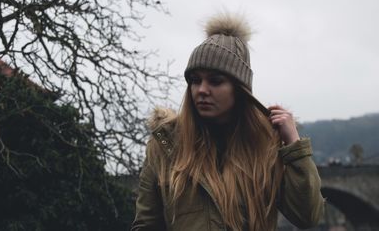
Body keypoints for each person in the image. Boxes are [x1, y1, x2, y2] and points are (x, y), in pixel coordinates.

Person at [131, 13, 325, 231]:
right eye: (195, 80)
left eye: (215, 81)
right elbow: (146, 224)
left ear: (239, 89)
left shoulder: (265, 145)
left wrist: (293, 145)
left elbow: (308, 217)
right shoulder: (165, 144)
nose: (202, 90)